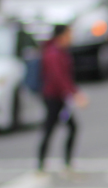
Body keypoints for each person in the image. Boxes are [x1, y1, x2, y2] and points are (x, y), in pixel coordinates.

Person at [37, 24, 88, 178]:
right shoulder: (53, 53)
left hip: (59, 98)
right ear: (62, 35)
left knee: (61, 128)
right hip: (54, 98)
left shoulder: (59, 51)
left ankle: (49, 165)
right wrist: (74, 94)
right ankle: (47, 166)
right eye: (69, 34)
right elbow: (59, 78)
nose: (71, 37)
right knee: (53, 129)